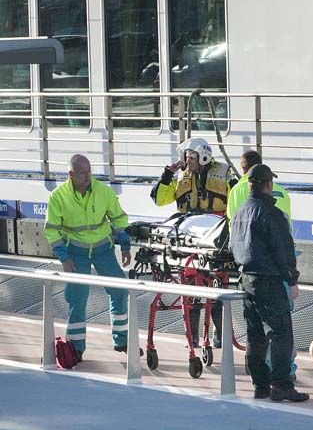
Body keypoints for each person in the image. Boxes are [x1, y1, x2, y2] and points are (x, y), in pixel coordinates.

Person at [230, 164, 309, 402]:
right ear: (268, 184)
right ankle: (281, 385)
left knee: (255, 335)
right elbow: (282, 250)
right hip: (269, 280)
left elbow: (234, 246)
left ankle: (260, 385)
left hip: (246, 279)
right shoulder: (272, 214)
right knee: (282, 333)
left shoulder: (240, 211)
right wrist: (291, 280)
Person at [44, 154, 132, 359]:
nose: (87, 176)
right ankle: (76, 348)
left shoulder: (102, 190)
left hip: (103, 250)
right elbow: (52, 231)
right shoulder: (58, 196)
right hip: (75, 253)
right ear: (71, 174)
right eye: (82, 173)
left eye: (89, 171)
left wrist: (125, 245)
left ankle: (122, 341)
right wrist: (64, 257)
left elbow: (119, 218)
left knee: (120, 291)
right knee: (77, 298)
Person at [151, 137, 235, 348]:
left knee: (218, 288)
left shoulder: (224, 173)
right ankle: (194, 338)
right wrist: (168, 174)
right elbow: (160, 199)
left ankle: (220, 336)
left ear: (203, 156)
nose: (188, 162)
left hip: (216, 236)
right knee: (191, 289)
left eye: (191, 158)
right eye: (187, 158)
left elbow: (237, 197)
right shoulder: (180, 177)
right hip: (190, 238)